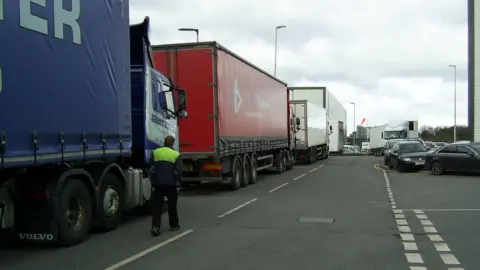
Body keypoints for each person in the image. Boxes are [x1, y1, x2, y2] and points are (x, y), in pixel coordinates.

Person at [149, 135, 183, 237]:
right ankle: (174, 225)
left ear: (163, 142)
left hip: (158, 184)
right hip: (171, 184)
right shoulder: (176, 154)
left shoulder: (155, 152)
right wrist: (178, 182)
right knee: (172, 205)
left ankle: (155, 226)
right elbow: (179, 171)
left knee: (157, 206)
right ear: (172, 143)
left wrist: (154, 179)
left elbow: (151, 167)